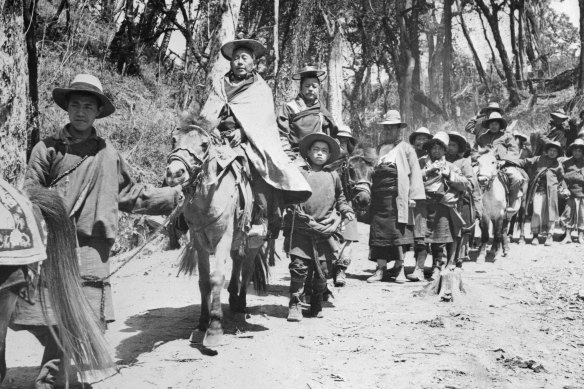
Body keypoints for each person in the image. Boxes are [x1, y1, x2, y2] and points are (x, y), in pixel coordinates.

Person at [15, 74, 184, 387]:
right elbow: (29, 189)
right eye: (76, 105)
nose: (81, 111)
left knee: (88, 316)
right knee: (47, 315)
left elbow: (130, 194)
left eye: (88, 106)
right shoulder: (47, 148)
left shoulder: (108, 154)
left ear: (97, 112)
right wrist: (54, 209)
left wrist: (172, 197)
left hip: (94, 247)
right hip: (55, 245)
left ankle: (52, 377)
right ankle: (56, 372)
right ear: (67, 108)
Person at [211, 39, 312, 237]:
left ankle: (262, 218)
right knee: (187, 154)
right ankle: (174, 213)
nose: (239, 62)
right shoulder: (219, 84)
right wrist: (211, 128)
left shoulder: (260, 89)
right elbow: (209, 112)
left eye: (244, 58)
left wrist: (243, 133)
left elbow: (262, 122)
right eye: (235, 58)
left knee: (260, 169)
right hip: (216, 138)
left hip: (249, 141)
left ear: (253, 63)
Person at [284, 133, 354, 321]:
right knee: (298, 267)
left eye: (324, 150)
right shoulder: (299, 173)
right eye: (316, 149)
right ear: (308, 152)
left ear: (330, 154)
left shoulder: (333, 175)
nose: (320, 154)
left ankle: (315, 304)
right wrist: (294, 210)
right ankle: (295, 304)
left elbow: (340, 197)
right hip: (301, 227)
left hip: (326, 229)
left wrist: (345, 209)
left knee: (323, 270)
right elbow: (289, 196)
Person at [366, 110, 425, 283]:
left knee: (399, 235)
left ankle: (399, 270)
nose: (389, 131)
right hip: (379, 200)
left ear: (399, 129)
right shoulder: (379, 149)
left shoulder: (407, 149)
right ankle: (380, 269)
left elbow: (415, 173)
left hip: (398, 198)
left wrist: (413, 196)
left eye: (393, 128)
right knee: (379, 235)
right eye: (386, 128)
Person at [417, 132, 469, 280]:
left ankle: (436, 267)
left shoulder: (451, 166)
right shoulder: (421, 162)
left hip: (442, 205)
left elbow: (465, 184)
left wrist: (449, 175)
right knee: (421, 237)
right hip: (423, 204)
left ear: (445, 150)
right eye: (433, 148)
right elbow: (412, 177)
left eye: (440, 148)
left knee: (439, 240)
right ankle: (419, 268)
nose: (436, 151)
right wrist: (428, 171)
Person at [277, 65, 338, 164]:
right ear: (301, 88)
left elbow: (331, 134)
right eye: (307, 86)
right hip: (294, 155)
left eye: (314, 86)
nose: (310, 89)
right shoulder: (289, 107)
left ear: (319, 89)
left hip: (317, 156)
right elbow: (281, 134)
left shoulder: (322, 110)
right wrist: (288, 154)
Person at [326, 124, 359, 287]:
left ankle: (341, 269)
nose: (342, 142)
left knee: (349, 236)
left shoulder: (354, 162)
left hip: (347, 202)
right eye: (339, 139)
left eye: (346, 140)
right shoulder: (326, 161)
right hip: (328, 202)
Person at [475, 112, 525, 216]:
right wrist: (478, 158)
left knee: (517, 177)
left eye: (496, 124)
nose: (494, 126)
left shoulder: (507, 136)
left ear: (500, 125)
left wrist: (505, 160)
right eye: (492, 124)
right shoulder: (482, 137)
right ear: (488, 125)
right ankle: (474, 204)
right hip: (486, 164)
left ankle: (511, 203)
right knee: (471, 177)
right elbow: (475, 151)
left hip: (504, 164)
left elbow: (514, 151)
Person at [519, 141, 565, 246]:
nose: (552, 152)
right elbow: (524, 161)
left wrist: (563, 189)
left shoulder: (558, 165)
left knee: (551, 213)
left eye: (555, 151)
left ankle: (549, 235)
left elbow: (562, 178)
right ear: (547, 151)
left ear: (558, 153)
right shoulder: (538, 159)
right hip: (538, 190)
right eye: (551, 150)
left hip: (552, 192)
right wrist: (511, 162)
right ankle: (535, 235)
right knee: (536, 212)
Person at [446, 131, 482, 262]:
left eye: (453, 145)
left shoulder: (463, 162)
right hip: (442, 198)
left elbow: (471, 182)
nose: (450, 148)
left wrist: (456, 182)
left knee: (461, 226)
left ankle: (458, 256)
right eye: (448, 144)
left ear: (458, 148)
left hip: (460, 197)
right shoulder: (440, 160)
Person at [560, 139, 584, 244]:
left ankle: (580, 236)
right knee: (568, 214)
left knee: (582, 215)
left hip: (582, 194)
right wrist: (564, 188)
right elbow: (562, 178)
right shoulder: (566, 163)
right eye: (575, 150)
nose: (577, 153)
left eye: (579, 151)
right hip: (569, 193)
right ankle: (568, 236)